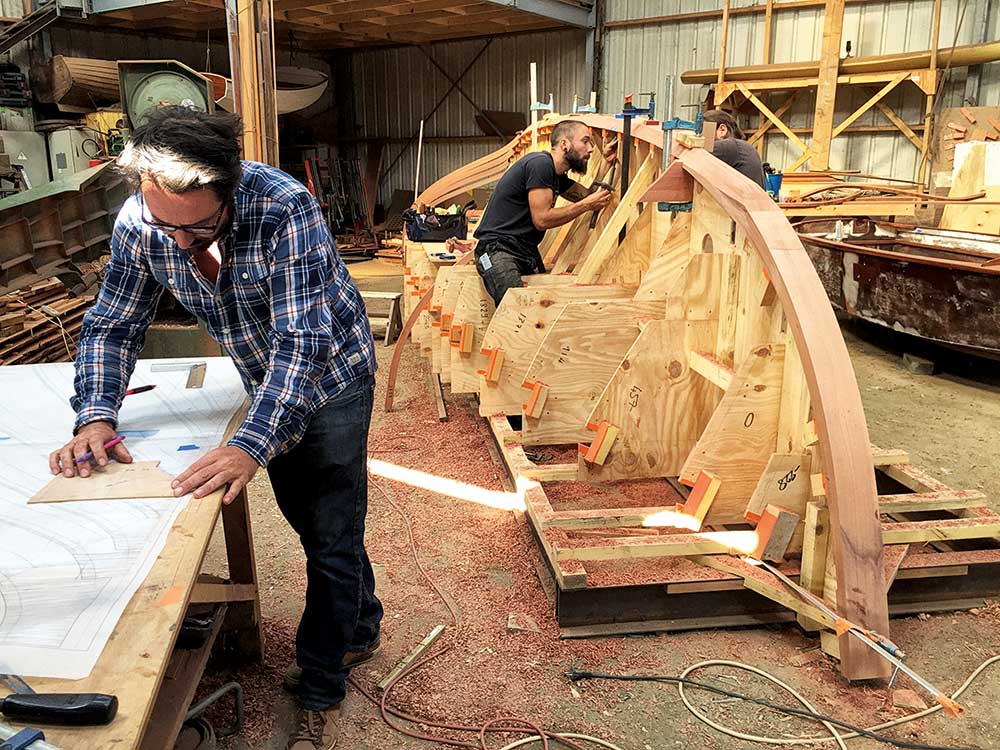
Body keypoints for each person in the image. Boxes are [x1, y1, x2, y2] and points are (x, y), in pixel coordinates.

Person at [49, 107, 380, 750]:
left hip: (333, 378)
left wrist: (248, 445)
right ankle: (359, 623)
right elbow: (114, 323)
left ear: (228, 190)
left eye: (197, 229)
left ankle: (324, 673)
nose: (176, 243)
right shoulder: (142, 223)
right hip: (268, 385)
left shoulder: (284, 208)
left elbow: (300, 343)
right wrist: (95, 413)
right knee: (314, 521)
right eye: (162, 226)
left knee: (332, 531)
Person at [472, 119, 617, 305]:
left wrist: (605, 162)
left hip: (524, 252)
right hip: (497, 252)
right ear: (564, 144)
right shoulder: (540, 165)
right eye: (585, 141)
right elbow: (542, 219)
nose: (590, 149)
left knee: (541, 311)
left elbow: (587, 195)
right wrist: (586, 206)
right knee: (517, 310)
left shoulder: (556, 175)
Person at [702, 109, 766, 188]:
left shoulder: (731, 146)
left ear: (722, 130)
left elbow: (696, 156)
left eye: (703, 132)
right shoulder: (743, 147)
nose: (701, 138)